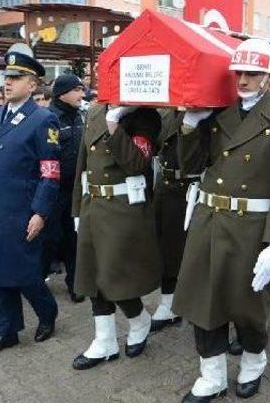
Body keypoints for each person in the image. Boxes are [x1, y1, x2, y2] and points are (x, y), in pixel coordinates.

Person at [173, 39, 270, 401]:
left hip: (252, 225)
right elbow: (190, 166)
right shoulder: (220, 114)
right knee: (204, 301)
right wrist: (189, 126)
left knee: (248, 306)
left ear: (267, 76)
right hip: (210, 218)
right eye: (239, 73)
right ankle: (212, 375)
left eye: (252, 74)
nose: (244, 80)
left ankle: (253, 361)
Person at [0, 44, 61, 358]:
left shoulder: (42, 120)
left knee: (22, 273)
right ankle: (6, 330)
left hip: (19, 211)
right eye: (6, 76)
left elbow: (50, 172)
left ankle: (47, 311)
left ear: (33, 85)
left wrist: (40, 212)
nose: (7, 82)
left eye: (16, 77)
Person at [71, 105, 162, 370]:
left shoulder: (144, 115)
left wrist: (114, 124)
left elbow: (136, 163)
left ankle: (138, 319)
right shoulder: (95, 110)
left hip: (124, 207)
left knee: (115, 276)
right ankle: (105, 340)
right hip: (93, 203)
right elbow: (83, 162)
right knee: (92, 277)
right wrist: (77, 207)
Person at [149, 108, 201, 332]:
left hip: (194, 188)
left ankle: (198, 302)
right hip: (165, 185)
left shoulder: (209, 112)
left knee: (195, 252)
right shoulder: (165, 113)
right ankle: (168, 304)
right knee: (166, 249)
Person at [44, 74, 85, 302]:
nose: (82, 94)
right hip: (53, 191)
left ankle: (75, 283)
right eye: (77, 90)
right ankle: (36, 278)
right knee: (49, 238)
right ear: (62, 93)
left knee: (73, 238)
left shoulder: (79, 116)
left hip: (74, 190)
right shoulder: (49, 118)